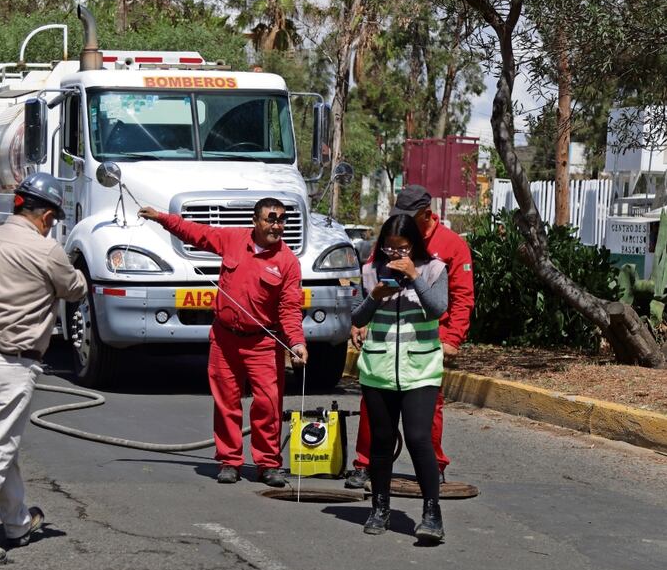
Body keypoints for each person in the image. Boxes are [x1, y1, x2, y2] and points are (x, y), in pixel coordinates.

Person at [0, 172, 87, 566]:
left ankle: (17, 522)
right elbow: (75, 288)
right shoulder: (45, 249)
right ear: (47, 216)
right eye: (53, 219)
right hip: (10, 363)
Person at [138, 198, 307, 488]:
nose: (277, 225)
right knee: (227, 402)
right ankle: (229, 461)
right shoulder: (232, 239)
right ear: (255, 221)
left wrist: (297, 342)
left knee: (268, 404)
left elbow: (289, 308)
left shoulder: (287, 262)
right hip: (225, 339)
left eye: (281, 220)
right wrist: (161, 218)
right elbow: (195, 232)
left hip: (263, 342)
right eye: (271, 219)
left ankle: (268, 463)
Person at [345, 184, 475, 489]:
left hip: (425, 342)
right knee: (374, 407)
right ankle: (365, 464)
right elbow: (368, 285)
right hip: (386, 341)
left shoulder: (451, 246)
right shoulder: (391, 241)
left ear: (426, 215)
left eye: (408, 217)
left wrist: (452, 338)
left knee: (427, 415)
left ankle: (432, 466)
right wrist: (361, 322)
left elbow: (461, 296)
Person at [352, 213, 448, 543]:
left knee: (419, 437)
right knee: (381, 440)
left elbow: (438, 309)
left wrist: (415, 276)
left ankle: (432, 514)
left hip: (420, 370)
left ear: (414, 244)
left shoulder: (434, 268)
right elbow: (356, 316)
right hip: (378, 369)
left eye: (403, 248)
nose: (396, 255)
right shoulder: (369, 271)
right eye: (390, 249)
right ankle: (380, 508)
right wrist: (374, 296)